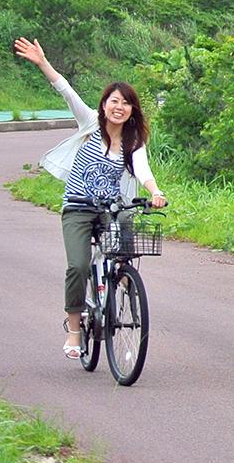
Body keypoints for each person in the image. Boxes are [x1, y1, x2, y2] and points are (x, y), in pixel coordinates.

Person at [14, 37, 168, 360]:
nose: (119, 107)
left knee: (124, 249)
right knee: (79, 265)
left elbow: (143, 169)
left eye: (125, 103)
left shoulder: (134, 141)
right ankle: (74, 330)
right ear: (104, 105)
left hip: (112, 209)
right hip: (79, 209)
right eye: (114, 101)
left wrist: (155, 192)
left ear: (132, 111)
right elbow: (66, 90)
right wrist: (43, 63)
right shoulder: (90, 125)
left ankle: (119, 282)